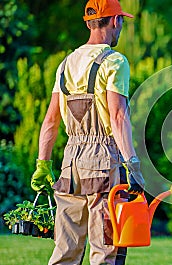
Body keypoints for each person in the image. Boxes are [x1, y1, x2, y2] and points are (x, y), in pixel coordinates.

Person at [30, 0, 145, 264]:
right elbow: (118, 116)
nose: (121, 27)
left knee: (65, 251)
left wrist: (42, 163)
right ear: (115, 21)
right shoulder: (115, 61)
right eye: (122, 22)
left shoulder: (66, 63)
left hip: (70, 163)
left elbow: (50, 121)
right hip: (104, 162)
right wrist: (133, 164)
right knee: (106, 250)